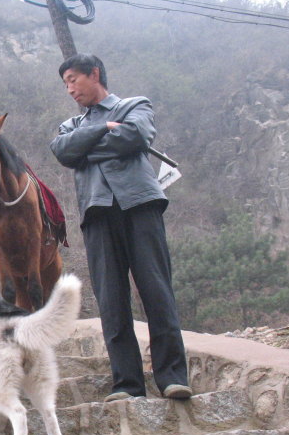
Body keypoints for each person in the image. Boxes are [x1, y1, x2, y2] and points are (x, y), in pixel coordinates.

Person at [49, 53, 191, 402]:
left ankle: (172, 377)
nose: (69, 89)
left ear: (93, 73)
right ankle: (127, 384)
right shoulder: (71, 125)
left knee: (156, 290)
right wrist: (101, 129)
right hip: (97, 213)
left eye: (72, 79)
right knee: (111, 300)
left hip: (139, 205)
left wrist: (89, 147)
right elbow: (64, 152)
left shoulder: (134, 105)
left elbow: (136, 137)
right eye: (65, 83)